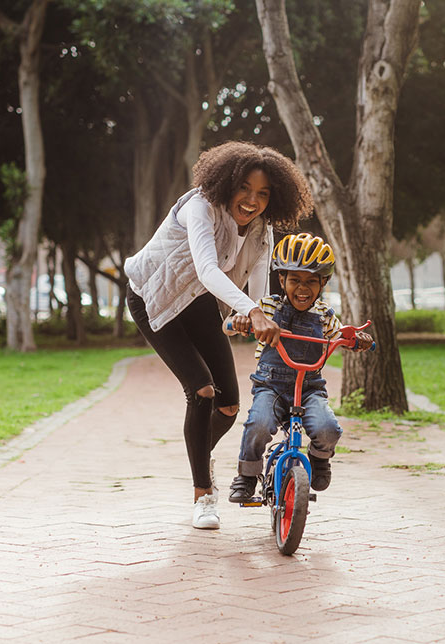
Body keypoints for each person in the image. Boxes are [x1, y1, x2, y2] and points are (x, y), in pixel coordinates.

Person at [124, 141, 313, 530]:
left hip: (198, 304)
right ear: (227, 182)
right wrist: (252, 311)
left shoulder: (262, 229)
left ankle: (199, 454)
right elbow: (208, 270)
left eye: (263, 194)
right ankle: (203, 495)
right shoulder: (199, 207)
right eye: (244, 188)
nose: (251, 200)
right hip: (153, 298)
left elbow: (260, 282)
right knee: (202, 391)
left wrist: (260, 313)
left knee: (228, 406)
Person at [222, 233, 374, 503]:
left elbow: (342, 334)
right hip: (272, 387)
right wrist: (240, 322)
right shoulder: (267, 307)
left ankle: (319, 458)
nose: (302, 288)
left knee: (329, 428)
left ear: (323, 283)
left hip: (309, 388)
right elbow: (229, 325)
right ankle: (246, 475)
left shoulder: (325, 315)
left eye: (311, 281)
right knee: (258, 424)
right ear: (282, 280)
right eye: (294, 280)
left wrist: (356, 340)